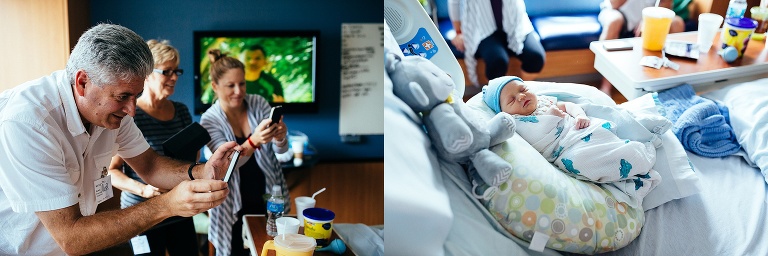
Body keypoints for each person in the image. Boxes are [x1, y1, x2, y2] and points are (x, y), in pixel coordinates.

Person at [0, 24, 239, 255]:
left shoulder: (112, 112)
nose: (132, 110)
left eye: (137, 95)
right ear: (83, 82)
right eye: (123, 96)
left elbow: (150, 165)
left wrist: (202, 171)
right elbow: (71, 237)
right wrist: (168, 204)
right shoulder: (29, 122)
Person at [482, 76, 665, 198]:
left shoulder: (544, 101)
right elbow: (536, 143)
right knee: (580, 160)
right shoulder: (518, 122)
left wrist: (580, 116)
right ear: (505, 112)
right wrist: (551, 118)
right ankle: (630, 163)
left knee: (603, 134)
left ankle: (634, 153)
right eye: (512, 100)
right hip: (566, 149)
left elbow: (569, 106)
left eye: (522, 89)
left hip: (582, 131)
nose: (521, 97)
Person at [106, 39, 199, 256]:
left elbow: (191, 157)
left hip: (180, 208)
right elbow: (111, 171)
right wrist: (144, 190)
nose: (174, 77)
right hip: (142, 213)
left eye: (177, 71)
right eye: (167, 71)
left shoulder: (182, 111)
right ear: (147, 74)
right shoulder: (130, 115)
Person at [201, 49, 290, 256]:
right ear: (215, 86)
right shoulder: (209, 120)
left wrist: (280, 137)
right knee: (234, 251)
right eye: (230, 85)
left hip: (267, 193)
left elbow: (282, 152)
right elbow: (225, 165)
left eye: (242, 83)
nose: (238, 91)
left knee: (269, 248)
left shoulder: (258, 103)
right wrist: (253, 141)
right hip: (230, 200)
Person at [448, 0, 546, 85]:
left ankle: (523, 92)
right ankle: (498, 98)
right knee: (497, 62)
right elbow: (454, 2)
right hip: (481, 28)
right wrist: (459, 32)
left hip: (517, 24)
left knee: (536, 57)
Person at [597, 0, 685, 94]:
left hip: (649, 15)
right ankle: (605, 87)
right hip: (617, 11)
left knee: (677, 23)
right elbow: (614, 4)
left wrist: (648, 19)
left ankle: (667, 84)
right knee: (615, 21)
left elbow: (665, 7)